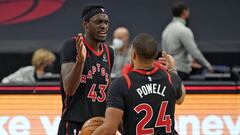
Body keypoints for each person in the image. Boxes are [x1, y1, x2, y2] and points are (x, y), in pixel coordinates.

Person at [93, 33, 185, 135]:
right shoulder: (171, 78)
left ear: (133, 54)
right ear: (155, 54)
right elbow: (180, 99)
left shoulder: (122, 83)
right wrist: (172, 69)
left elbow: (109, 129)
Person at [57, 4, 114, 135]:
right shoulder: (71, 45)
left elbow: (108, 93)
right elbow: (69, 89)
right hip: (73, 124)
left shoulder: (109, 52)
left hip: (100, 125)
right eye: (98, 22)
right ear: (86, 24)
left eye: (106, 22)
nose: (104, 26)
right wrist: (80, 61)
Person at [161, 1, 213, 80]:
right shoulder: (184, 30)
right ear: (184, 12)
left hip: (170, 71)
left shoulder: (166, 30)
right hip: (181, 72)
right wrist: (208, 66)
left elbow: (165, 54)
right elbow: (195, 52)